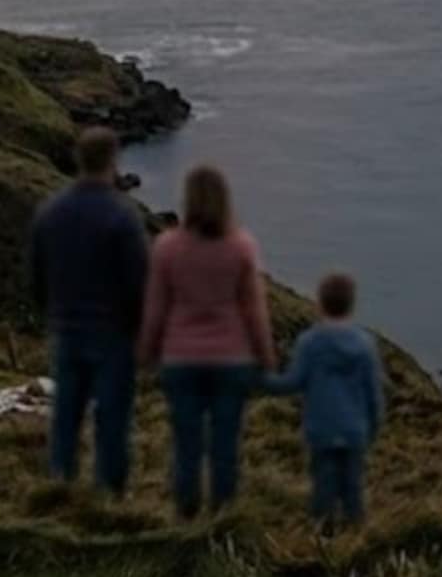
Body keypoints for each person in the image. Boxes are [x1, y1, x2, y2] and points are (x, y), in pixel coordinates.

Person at [138, 165, 275, 518]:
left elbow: (156, 307)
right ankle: (221, 517)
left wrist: (147, 352)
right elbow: (253, 310)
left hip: (181, 360)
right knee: (225, 444)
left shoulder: (167, 247)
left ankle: (186, 517)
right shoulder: (241, 247)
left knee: (187, 444)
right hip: (231, 360)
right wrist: (265, 355)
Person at [29, 126, 149, 495]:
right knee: (111, 417)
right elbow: (138, 282)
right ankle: (109, 494)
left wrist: (52, 310)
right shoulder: (122, 216)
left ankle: (61, 484)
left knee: (66, 413)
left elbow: (37, 273)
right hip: (112, 333)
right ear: (113, 160)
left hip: (67, 326)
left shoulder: (51, 212)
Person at [263, 272, 385, 528]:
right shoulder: (364, 345)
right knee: (353, 488)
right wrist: (372, 429)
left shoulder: (309, 342)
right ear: (352, 304)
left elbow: (292, 383)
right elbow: (373, 395)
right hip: (354, 430)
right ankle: (354, 543)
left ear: (319, 303)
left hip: (321, 429)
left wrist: (260, 380)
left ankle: (322, 542)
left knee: (323, 487)